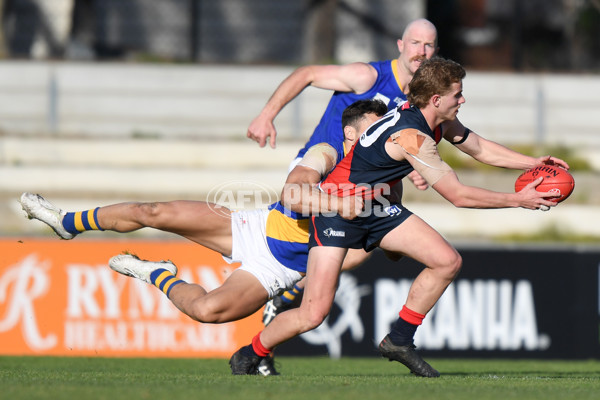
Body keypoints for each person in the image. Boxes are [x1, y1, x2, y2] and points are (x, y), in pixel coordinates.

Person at [229, 57, 570, 378]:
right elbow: (458, 195)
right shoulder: (413, 137)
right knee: (313, 314)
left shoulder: (433, 118)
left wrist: (534, 162)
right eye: (458, 94)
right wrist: (518, 199)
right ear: (436, 98)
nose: (462, 100)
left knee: (446, 261)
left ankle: (399, 340)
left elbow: (478, 147)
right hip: (338, 209)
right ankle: (251, 351)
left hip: (376, 207)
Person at [18, 99, 385, 376]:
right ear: (351, 134)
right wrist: (338, 203)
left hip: (280, 268)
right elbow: (295, 191)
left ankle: (156, 274)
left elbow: (356, 253)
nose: (382, 139)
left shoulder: (382, 182)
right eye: (374, 130)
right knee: (153, 212)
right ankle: (67, 221)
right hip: (255, 226)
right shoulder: (327, 153)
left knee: (208, 311)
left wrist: (306, 278)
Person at [253, 17, 437, 320]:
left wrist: (414, 166)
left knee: (357, 251)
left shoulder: (416, 102)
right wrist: (266, 116)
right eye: (415, 43)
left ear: (436, 50)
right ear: (401, 46)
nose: (422, 51)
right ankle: (277, 287)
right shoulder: (369, 76)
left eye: (428, 45)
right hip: (320, 168)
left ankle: (282, 302)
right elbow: (307, 73)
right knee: (298, 246)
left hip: (356, 183)